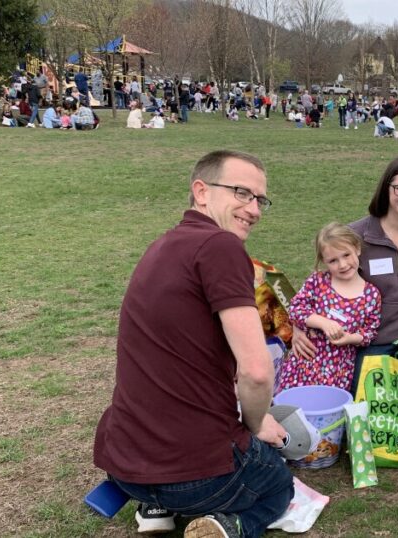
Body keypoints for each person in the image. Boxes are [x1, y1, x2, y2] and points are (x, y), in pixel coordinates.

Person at [94, 150, 294, 538]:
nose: (254, 209)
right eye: (241, 193)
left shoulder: (161, 246)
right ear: (201, 192)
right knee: (277, 485)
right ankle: (229, 526)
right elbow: (256, 371)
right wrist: (256, 425)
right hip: (196, 475)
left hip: (124, 464)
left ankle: (156, 507)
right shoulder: (221, 246)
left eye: (260, 199)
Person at [293, 156, 398, 387]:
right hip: (367, 337)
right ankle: (394, 375)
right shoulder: (355, 235)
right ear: (386, 188)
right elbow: (319, 287)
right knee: (359, 383)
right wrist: (299, 327)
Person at [282, 223, 381, 392]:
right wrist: (322, 322)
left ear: (357, 248)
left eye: (346, 255)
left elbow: (369, 332)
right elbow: (296, 308)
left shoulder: (371, 295)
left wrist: (349, 338)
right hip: (304, 363)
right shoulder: (318, 282)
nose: (342, 265)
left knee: (328, 411)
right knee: (293, 410)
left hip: (338, 372)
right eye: (333, 260)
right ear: (324, 261)